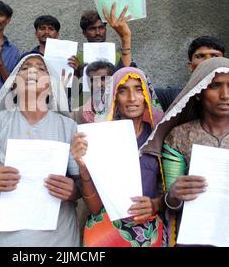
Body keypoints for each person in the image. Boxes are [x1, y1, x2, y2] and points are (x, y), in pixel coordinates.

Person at [142, 57, 229, 247]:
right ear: (199, 92)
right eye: (215, 86)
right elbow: (171, 201)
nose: (225, 95)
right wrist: (174, 194)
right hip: (198, 233)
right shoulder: (179, 136)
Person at [0, 54, 81, 247]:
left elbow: (81, 181)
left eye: (41, 68)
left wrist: (74, 191)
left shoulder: (68, 127)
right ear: (13, 83)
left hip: (56, 236)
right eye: (25, 67)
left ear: (52, 84)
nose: (32, 70)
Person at [71, 66, 166, 247]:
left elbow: (171, 194)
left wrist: (155, 204)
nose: (132, 98)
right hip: (105, 234)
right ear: (113, 96)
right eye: (123, 91)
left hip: (147, 234)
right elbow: (95, 208)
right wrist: (83, 167)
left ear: (147, 96)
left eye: (139, 90)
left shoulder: (160, 138)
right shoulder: (99, 138)